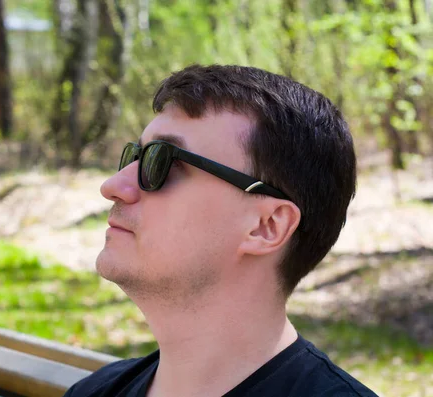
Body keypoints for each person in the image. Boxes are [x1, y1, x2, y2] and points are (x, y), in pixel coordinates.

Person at [63, 64, 378, 397]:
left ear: (266, 226)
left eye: (163, 162)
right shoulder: (95, 391)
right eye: (134, 155)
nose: (113, 186)